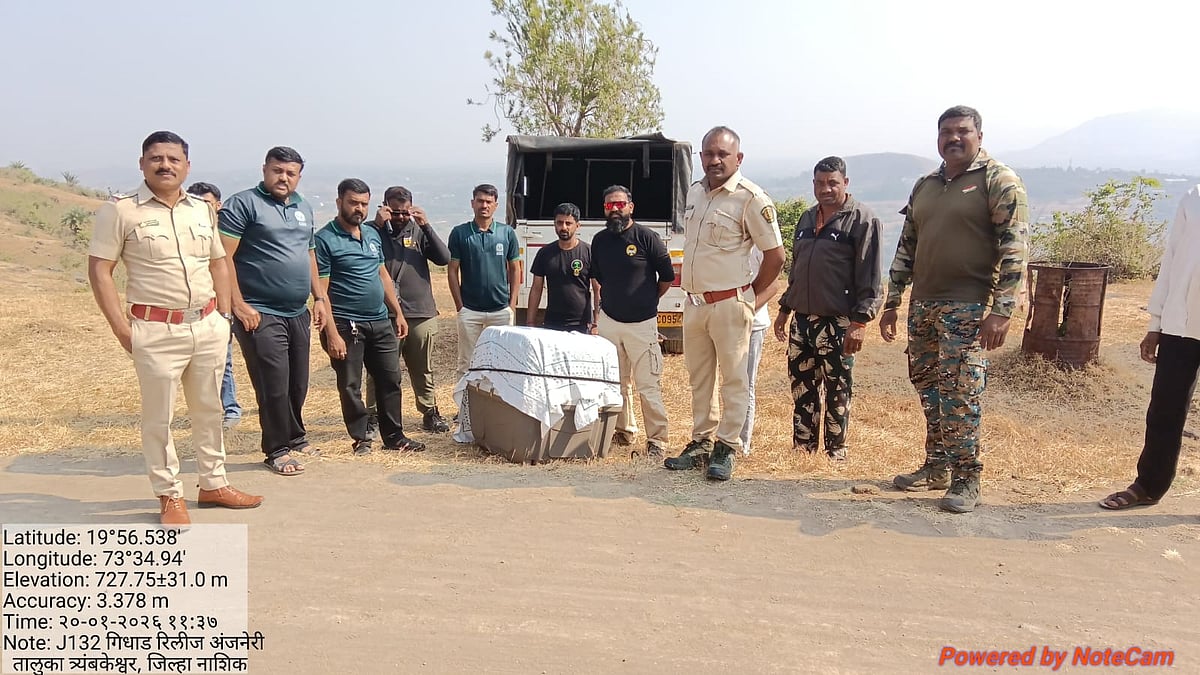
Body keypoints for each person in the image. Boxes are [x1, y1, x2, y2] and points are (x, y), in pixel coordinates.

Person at [88, 131, 263, 526]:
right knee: (159, 418)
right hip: (154, 329)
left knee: (209, 409)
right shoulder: (120, 211)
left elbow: (219, 261)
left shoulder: (201, 208)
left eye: (173, 158)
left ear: (187, 165)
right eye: (156, 158)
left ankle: (214, 483)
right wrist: (122, 329)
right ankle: (169, 494)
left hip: (206, 325)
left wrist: (222, 315)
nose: (165, 165)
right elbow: (100, 270)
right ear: (142, 163)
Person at [880, 105, 1029, 513]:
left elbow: (1014, 247)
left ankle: (967, 478)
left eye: (962, 131)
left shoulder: (998, 179)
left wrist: (1002, 310)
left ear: (979, 135)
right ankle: (937, 466)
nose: (953, 138)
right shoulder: (926, 184)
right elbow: (907, 244)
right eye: (946, 131)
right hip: (924, 305)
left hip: (969, 305)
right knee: (929, 388)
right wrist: (892, 301)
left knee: (961, 392)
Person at [666, 127, 784, 481]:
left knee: (734, 380)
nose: (714, 160)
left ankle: (727, 446)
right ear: (700, 157)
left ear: (738, 158)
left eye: (722, 154)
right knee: (699, 379)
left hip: (730, 305)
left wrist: (750, 300)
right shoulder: (695, 193)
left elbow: (775, 256)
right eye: (708, 153)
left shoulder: (751, 198)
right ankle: (701, 441)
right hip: (695, 304)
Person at [219, 146, 329, 476]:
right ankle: (276, 449)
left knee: (298, 382)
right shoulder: (243, 204)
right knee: (273, 383)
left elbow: (308, 254)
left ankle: (295, 437)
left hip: (297, 310)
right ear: (265, 169)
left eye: (290, 173)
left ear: (298, 176)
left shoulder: (303, 206)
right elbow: (223, 258)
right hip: (260, 311)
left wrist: (319, 297)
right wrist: (238, 305)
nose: (283, 178)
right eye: (277, 170)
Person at [772, 156, 884, 460]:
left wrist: (860, 322)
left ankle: (836, 453)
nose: (826, 188)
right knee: (802, 389)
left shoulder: (862, 220)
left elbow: (871, 277)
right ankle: (803, 450)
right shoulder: (807, 219)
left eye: (833, 182)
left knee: (837, 390)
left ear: (845, 183)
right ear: (813, 185)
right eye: (820, 183)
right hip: (802, 319)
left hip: (838, 323)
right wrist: (784, 309)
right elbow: (797, 269)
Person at [1099, 185, 1200, 510]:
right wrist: (1155, 324)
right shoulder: (1194, 196)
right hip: (1180, 324)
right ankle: (1149, 486)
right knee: (1164, 410)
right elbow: (1170, 261)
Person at [316, 179, 426, 455]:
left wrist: (397, 313)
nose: (359, 209)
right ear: (339, 202)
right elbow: (322, 292)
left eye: (364, 204)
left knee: (390, 379)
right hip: (345, 323)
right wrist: (331, 332)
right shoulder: (325, 239)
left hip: (380, 321)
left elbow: (382, 274)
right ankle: (362, 436)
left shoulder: (372, 235)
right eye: (353, 202)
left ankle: (394, 437)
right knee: (351, 384)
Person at [591, 185, 674, 457]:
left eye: (620, 205)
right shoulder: (600, 240)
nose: (615, 210)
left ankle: (657, 441)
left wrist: (648, 300)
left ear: (631, 207)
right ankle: (623, 431)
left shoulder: (647, 237)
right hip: (610, 322)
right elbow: (600, 278)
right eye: (609, 206)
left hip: (642, 324)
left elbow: (667, 278)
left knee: (648, 385)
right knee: (616, 382)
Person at [368, 185, 452, 434]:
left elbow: (444, 258)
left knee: (422, 368)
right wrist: (377, 225)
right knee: (379, 369)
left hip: (421, 312)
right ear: (384, 208)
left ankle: (429, 412)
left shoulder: (418, 230)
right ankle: (372, 415)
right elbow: (362, 251)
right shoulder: (373, 232)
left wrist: (426, 225)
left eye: (405, 212)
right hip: (385, 313)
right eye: (395, 212)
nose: (401, 217)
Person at [447, 184, 520, 386]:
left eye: (489, 202)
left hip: (501, 310)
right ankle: (464, 409)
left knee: (502, 362)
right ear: (473, 203)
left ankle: (499, 405)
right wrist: (459, 306)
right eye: (480, 201)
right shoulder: (460, 233)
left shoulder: (506, 233)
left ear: (496, 205)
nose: (484, 205)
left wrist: (511, 304)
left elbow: (515, 269)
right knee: (467, 363)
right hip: (470, 310)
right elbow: (452, 269)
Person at [187, 181, 243, 430]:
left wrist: (228, 309)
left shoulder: (228, 234)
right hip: (194, 309)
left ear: (218, 205)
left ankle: (230, 408)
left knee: (224, 361)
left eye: (207, 203)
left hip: (223, 307)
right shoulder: (188, 232)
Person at [526, 202, 592, 331]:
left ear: (577, 226)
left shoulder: (588, 252)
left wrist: (596, 323)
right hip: (552, 323)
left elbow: (597, 288)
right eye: (560, 223)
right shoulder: (545, 253)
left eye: (568, 223)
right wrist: (530, 322)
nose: (564, 227)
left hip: (581, 324)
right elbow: (536, 289)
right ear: (554, 224)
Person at [740, 247, 778, 456]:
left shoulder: (759, 243)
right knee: (729, 384)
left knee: (746, 384)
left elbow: (773, 286)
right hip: (725, 323)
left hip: (752, 324)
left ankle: (741, 444)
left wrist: (746, 309)